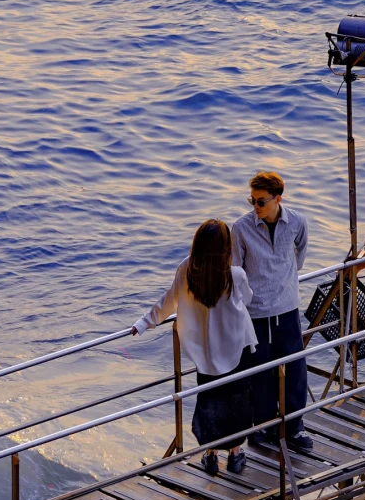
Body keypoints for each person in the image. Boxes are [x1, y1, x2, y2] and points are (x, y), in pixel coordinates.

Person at [132, 219, 256, 475]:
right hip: (236, 347)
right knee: (236, 401)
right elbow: (249, 298)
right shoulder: (235, 275)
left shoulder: (187, 270)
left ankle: (210, 456)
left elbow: (169, 301)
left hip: (206, 350)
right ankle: (234, 454)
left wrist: (144, 322)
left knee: (209, 399)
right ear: (225, 248)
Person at [230, 170, 314, 456]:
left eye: (261, 201)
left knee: (294, 368)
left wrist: (286, 276)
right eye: (252, 200)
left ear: (278, 198)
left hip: (288, 306)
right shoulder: (241, 228)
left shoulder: (298, 222)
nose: (255, 206)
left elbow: (300, 253)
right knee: (260, 370)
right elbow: (236, 269)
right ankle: (263, 425)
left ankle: (294, 427)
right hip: (256, 311)